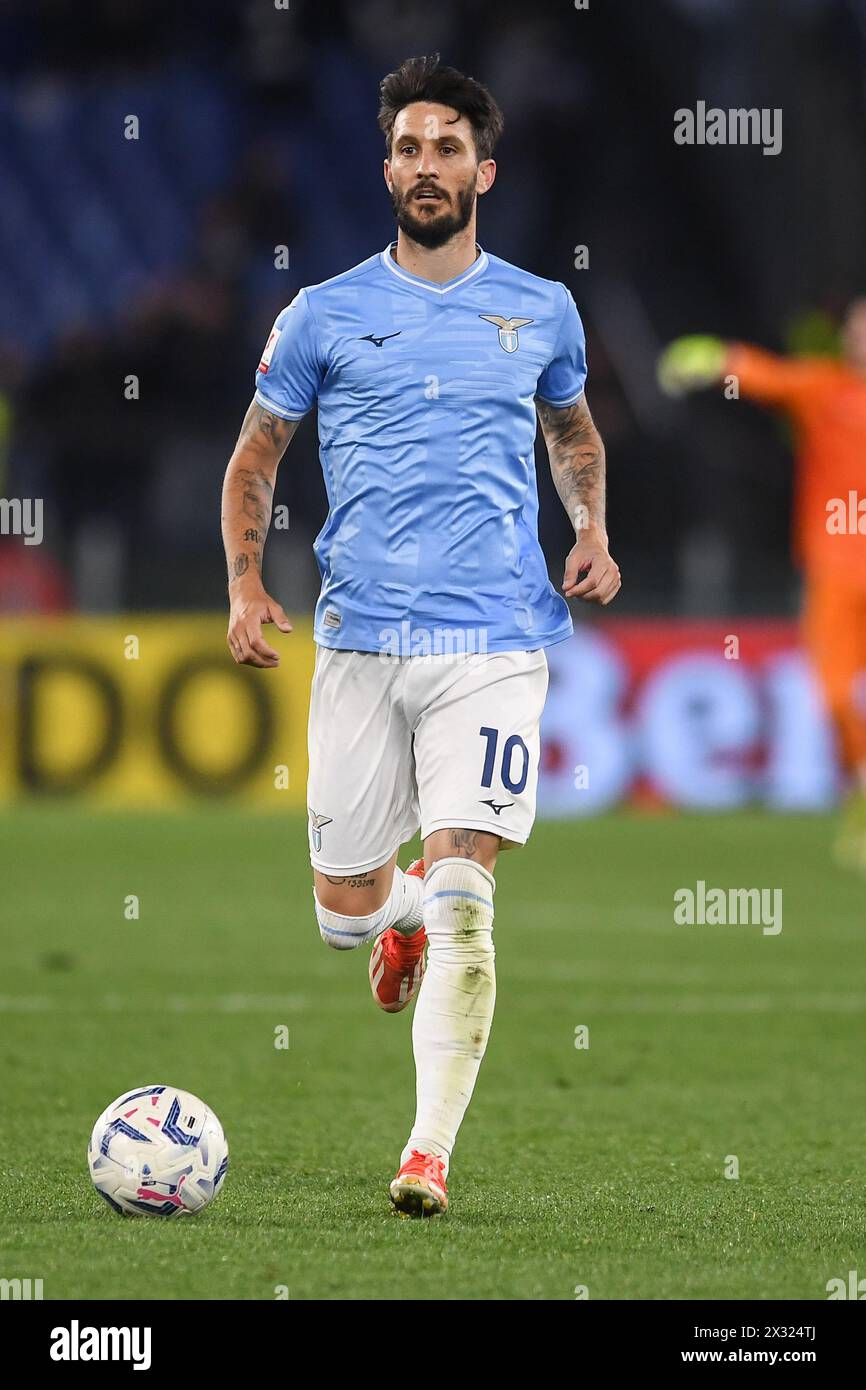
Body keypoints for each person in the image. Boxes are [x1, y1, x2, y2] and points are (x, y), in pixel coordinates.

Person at [221, 55, 620, 1217]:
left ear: (482, 170)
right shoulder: (322, 314)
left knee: (464, 893)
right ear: (386, 168)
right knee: (344, 914)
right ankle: (386, 923)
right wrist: (245, 585)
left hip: (493, 644)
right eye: (407, 147)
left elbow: (574, 430)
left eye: (447, 147)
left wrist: (590, 528)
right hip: (356, 640)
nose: (426, 165)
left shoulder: (539, 306)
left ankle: (426, 1152)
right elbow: (256, 456)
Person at [658, 302, 866, 867]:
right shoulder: (827, 390)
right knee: (834, 697)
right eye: (854, 328)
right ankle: (860, 800)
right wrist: (713, 358)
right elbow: (767, 375)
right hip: (836, 574)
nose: (857, 338)